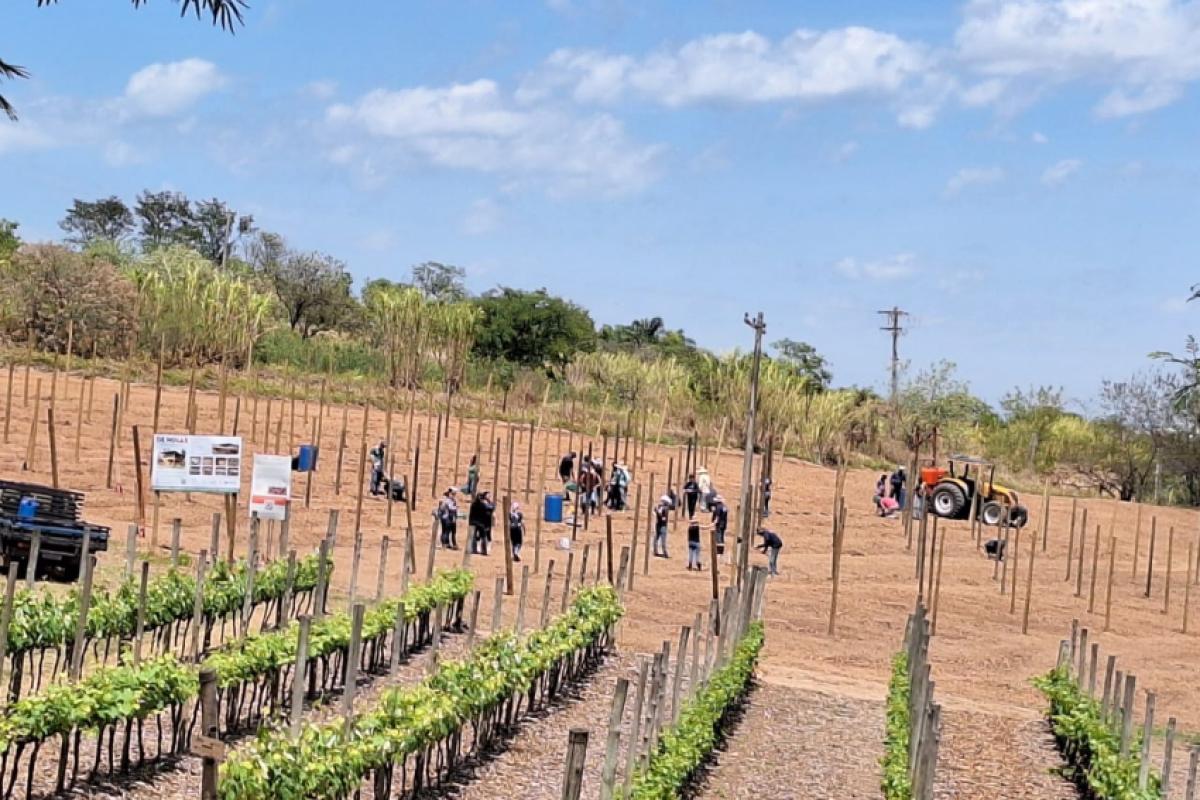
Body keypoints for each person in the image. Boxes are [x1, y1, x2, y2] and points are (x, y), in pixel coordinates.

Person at [469, 491, 495, 555]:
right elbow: (490, 509)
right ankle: (484, 551)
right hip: (481, 523)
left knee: (474, 537)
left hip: (473, 522)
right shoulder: (483, 505)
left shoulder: (473, 504)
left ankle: (474, 550)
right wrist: (492, 505)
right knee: (483, 536)